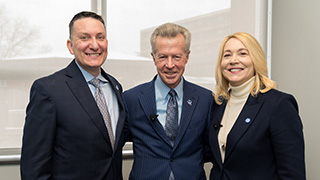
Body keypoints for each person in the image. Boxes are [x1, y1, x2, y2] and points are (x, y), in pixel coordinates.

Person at [20, 11, 126, 180]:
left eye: (100, 37)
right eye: (84, 38)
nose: (94, 45)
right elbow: (34, 167)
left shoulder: (115, 87)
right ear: (70, 46)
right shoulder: (48, 90)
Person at [208, 32, 306, 180]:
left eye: (242, 54)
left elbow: (292, 174)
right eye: (227, 55)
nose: (233, 60)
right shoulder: (218, 104)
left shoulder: (278, 104)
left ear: (256, 59)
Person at [123, 22, 214, 180]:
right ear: (153, 58)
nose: (170, 65)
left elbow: (208, 149)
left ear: (187, 57)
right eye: (163, 57)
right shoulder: (131, 99)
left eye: (176, 57)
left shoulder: (205, 99)